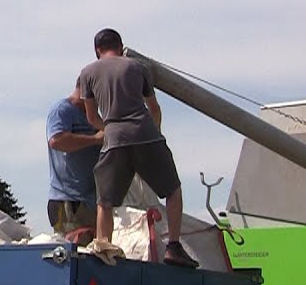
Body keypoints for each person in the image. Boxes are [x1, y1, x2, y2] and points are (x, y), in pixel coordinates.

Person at [76, 28, 198, 267]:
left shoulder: (87, 73)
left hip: (113, 140)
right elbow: (154, 108)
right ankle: (173, 247)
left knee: (105, 202)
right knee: (173, 190)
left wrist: (110, 128)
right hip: (145, 134)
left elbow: (91, 117)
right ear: (121, 46)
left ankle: (104, 248)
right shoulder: (137, 67)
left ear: (96, 51)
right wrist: (155, 137)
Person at [46, 88, 102, 242]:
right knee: (76, 255)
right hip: (68, 202)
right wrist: (95, 139)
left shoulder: (94, 118)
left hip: (89, 202)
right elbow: (56, 140)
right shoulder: (62, 111)